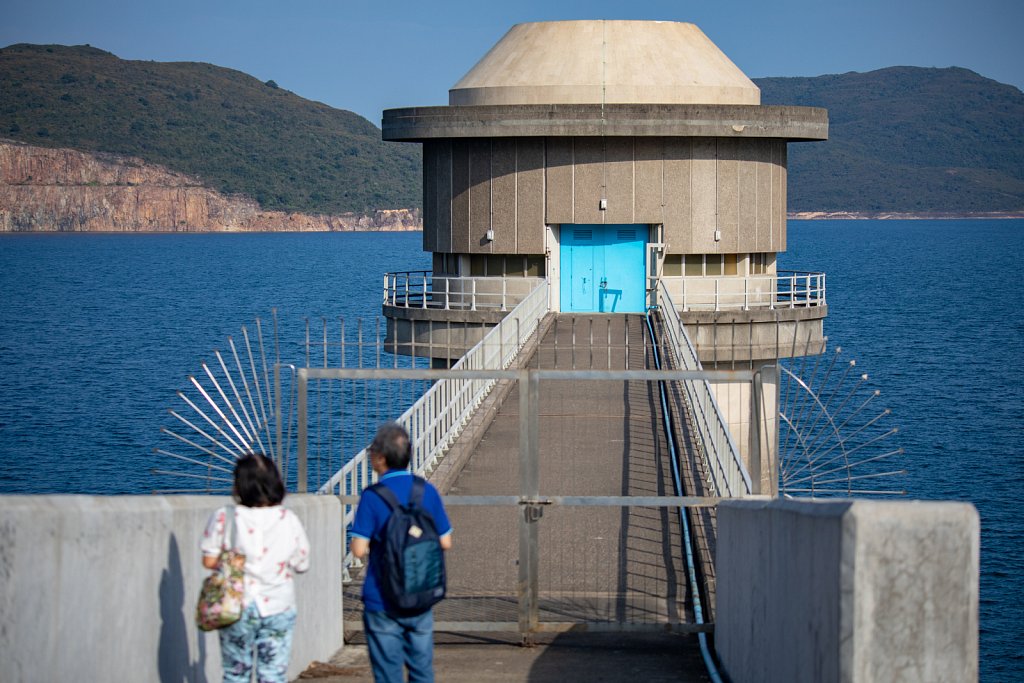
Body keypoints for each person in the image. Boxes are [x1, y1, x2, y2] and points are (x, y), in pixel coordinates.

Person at [350, 423, 453, 683]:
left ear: (380, 458)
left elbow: (359, 549)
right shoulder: (425, 490)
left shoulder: (372, 496)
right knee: (422, 670)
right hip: (419, 592)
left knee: (388, 673)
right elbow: (446, 541)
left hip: (381, 598)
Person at [200, 453, 310, 683]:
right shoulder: (287, 519)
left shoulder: (224, 517)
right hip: (279, 604)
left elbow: (208, 561)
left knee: (235, 673)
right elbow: (302, 563)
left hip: (237, 604)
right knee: (273, 674)